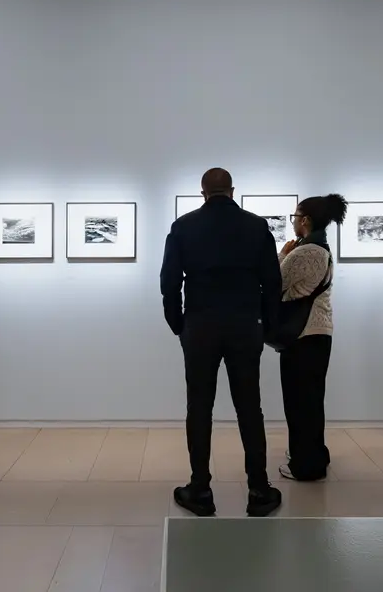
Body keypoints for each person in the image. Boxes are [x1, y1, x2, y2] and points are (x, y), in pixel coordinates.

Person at [160, 167, 284, 518]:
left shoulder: (183, 227)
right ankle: (258, 490)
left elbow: (169, 281)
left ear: (203, 193)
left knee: (199, 408)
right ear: (232, 191)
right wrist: (267, 326)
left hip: (200, 326)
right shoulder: (256, 226)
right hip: (245, 325)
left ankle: (200, 489)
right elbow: (272, 282)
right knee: (250, 408)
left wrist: (178, 323)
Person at [276, 194, 348, 481]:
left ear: (305, 220)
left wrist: (282, 254)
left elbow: (274, 284)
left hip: (303, 334)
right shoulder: (321, 248)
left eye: (295, 216)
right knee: (311, 400)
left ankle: (306, 465)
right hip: (317, 333)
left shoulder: (305, 252)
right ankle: (314, 454)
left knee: (299, 402)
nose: (293, 221)